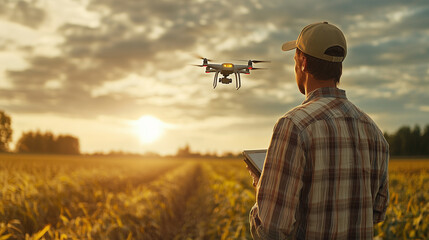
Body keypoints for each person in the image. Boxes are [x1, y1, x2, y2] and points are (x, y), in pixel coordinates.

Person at [248, 22, 390, 239]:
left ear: (303, 63)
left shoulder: (293, 125)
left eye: (295, 60)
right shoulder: (374, 131)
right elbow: (377, 212)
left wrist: (263, 189)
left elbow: (271, 230)